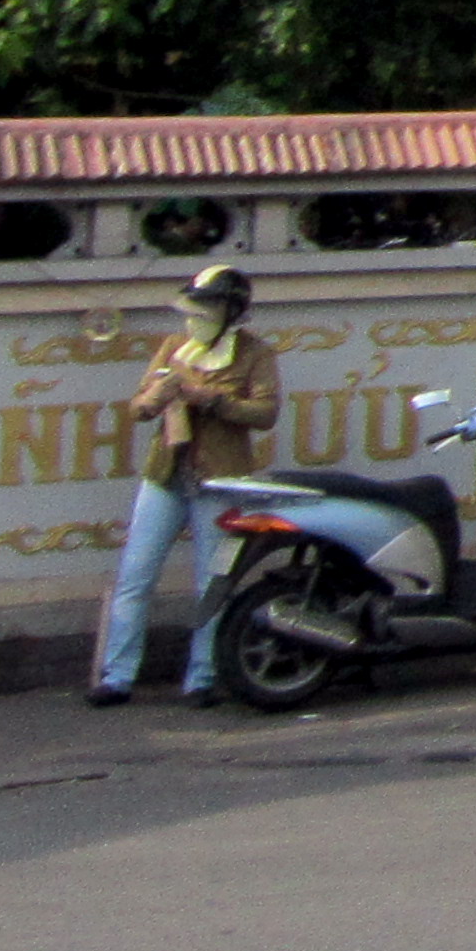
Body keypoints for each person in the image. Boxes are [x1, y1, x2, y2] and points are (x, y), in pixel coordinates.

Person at [91, 261, 282, 705]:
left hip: (219, 479)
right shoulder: (175, 346)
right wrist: (156, 397)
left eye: (208, 307)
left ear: (232, 311)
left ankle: (202, 676)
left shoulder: (255, 353)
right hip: (166, 474)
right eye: (194, 307)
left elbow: (266, 414)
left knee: (210, 582)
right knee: (135, 577)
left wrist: (212, 400)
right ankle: (117, 675)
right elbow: (138, 406)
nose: (196, 316)